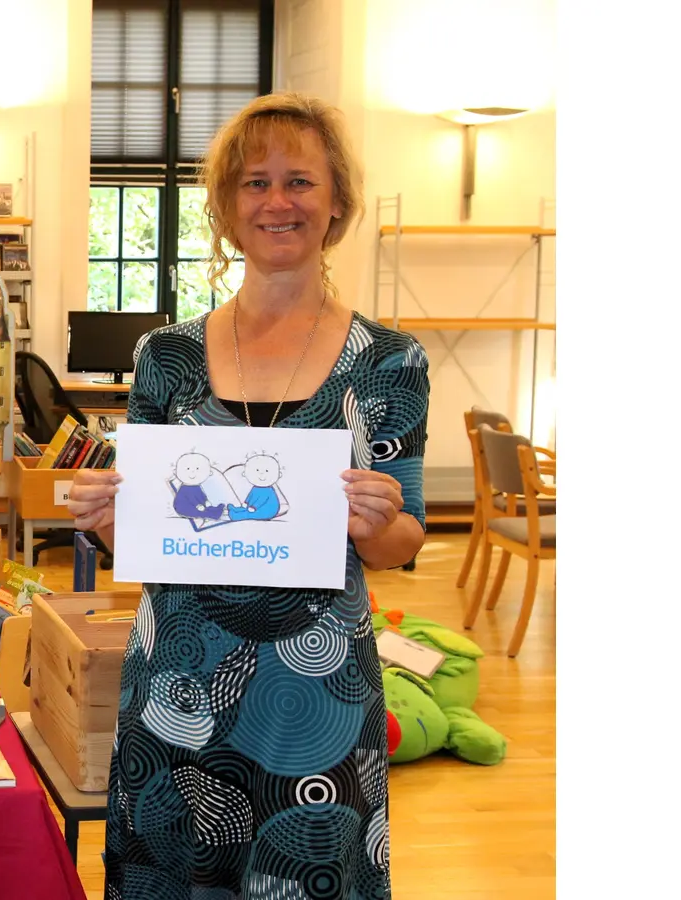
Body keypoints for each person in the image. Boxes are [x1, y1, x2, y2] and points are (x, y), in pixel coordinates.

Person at [66, 92, 428, 900]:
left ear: (336, 203)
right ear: (226, 210)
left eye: (299, 180)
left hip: (317, 698)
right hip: (178, 685)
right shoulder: (166, 356)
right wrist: (105, 517)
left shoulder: (389, 362)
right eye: (254, 183)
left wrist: (377, 520)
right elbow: (146, 541)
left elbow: (406, 540)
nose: (277, 201)